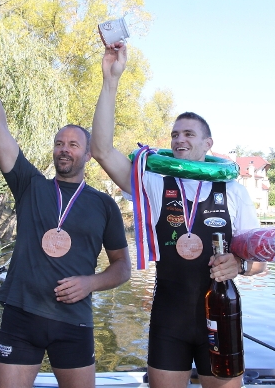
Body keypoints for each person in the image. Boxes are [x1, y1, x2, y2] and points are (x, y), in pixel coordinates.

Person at [0, 33, 131, 388]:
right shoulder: (30, 185)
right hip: (21, 316)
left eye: (73, 144)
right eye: (58, 143)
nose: (64, 149)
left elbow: (122, 268)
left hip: (74, 320)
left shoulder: (103, 205)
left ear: (88, 154)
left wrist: (90, 283)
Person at [91, 42, 265, 388]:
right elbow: (101, 150)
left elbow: (260, 262)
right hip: (169, 319)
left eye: (188, 134)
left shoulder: (233, 191)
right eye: (174, 134)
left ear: (208, 144)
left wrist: (240, 265)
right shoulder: (155, 183)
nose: (179, 139)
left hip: (220, 314)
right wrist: (111, 80)